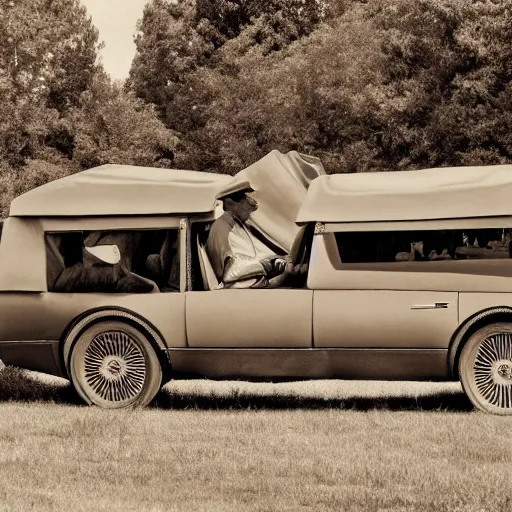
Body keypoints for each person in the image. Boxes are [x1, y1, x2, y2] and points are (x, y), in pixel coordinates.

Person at [205, 183, 291, 288]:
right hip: (239, 292)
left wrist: (275, 259)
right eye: (245, 201)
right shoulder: (223, 227)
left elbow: (248, 257)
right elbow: (231, 273)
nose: (251, 209)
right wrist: (265, 264)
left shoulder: (238, 224)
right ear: (230, 203)